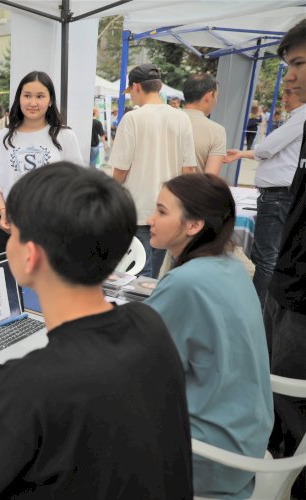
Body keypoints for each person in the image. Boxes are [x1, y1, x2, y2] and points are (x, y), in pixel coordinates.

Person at [0, 162, 193, 498]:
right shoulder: (148, 323)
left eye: (14, 234)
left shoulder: (34, 383)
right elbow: (82, 389)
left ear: (31, 255)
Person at [144, 174, 274, 499]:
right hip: (246, 439)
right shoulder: (231, 265)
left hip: (208, 456)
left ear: (193, 225)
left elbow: (135, 364)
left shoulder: (185, 283)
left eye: (161, 212)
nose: (150, 220)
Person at [263, 20, 306, 497]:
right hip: (285, 284)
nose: (288, 78)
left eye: (297, 64)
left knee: (292, 404)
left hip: (301, 297)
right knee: (277, 394)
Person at [110, 63, 196, 278]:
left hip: (138, 208)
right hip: (170, 209)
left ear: (136, 87)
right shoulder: (181, 118)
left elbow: (121, 169)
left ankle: (138, 310)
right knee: (154, 272)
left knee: (136, 270)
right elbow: (189, 169)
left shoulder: (132, 119)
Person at [224, 86, 305, 306]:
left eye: (290, 92)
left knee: (266, 257)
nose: (284, 99)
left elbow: (267, 149)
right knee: (268, 255)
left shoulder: (302, 116)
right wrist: (242, 153)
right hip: (278, 195)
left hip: (278, 196)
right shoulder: (297, 118)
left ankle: (256, 306)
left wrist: (247, 153)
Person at [0, 71, 83, 255]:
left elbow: (77, 184)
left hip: (51, 229)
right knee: (7, 282)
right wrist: (3, 210)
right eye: (27, 96)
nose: (33, 103)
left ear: (50, 100)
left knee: (44, 283)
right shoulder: (2, 137)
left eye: (40, 96)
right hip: (9, 226)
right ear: (19, 98)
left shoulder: (64, 136)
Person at [182, 73, 227, 176]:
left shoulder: (165, 120)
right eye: (216, 96)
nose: (216, 101)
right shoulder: (217, 131)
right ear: (208, 96)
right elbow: (210, 178)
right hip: (191, 190)